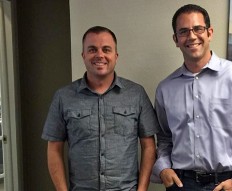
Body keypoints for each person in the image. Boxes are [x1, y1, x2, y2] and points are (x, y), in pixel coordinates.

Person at [151, 4, 232, 191]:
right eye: (183, 31)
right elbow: (165, 137)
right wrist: (164, 167)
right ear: (176, 39)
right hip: (181, 183)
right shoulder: (165, 88)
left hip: (225, 183)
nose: (191, 36)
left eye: (198, 29)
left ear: (210, 33)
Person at [42, 26, 160, 191]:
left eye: (106, 49)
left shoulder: (136, 94)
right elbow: (54, 148)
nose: (100, 55)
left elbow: (149, 146)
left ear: (116, 56)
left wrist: (142, 189)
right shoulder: (63, 97)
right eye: (92, 50)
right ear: (83, 56)